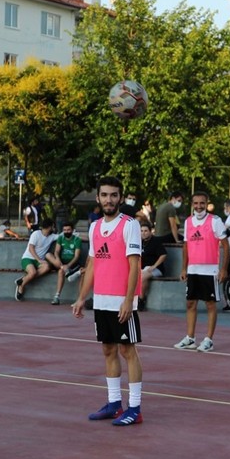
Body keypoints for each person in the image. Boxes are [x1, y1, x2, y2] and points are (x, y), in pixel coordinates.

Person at [72, 175, 144, 426]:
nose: (109, 199)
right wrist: (82, 297)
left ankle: (135, 408)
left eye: (114, 195)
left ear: (120, 198)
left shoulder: (130, 225)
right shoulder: (94, 227)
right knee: (108, 350)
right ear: (98, 198)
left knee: (127, 351)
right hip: (101, 300)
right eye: (104, 195)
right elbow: (92, 264)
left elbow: (134, 266)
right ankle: (114, 404)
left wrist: (128, 300)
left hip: (122, 300)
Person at [172, 192, 228, 353]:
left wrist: (223, 269)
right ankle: (190, 338)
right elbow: (186, 246)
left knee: (210, 304)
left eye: (202, 203)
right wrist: (184, 268)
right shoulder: (188, 222)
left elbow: (226, 246)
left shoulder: (215, 221)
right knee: (190, 303)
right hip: (193, 269)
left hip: (210, 270)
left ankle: (209, 340)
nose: (199, 206)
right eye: (195, 203)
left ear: (207, 203)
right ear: (192, 204)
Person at [14, 218, 58, 301]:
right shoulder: (36, 234)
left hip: (38, 261)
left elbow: (63, 236)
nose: (54, 228)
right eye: (53, 226)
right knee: (33, 272)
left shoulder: (52, 237)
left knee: (46, 267)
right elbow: (31, 248)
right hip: (28, 258)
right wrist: (38, 260)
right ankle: (21, 286)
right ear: (50, 227)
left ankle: (23, 280)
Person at [47, 219, 85, 305]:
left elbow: (76, 256)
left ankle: (78, 299)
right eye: (64, 230)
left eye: (68, 230)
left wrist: (68, 265)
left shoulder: (77, 240)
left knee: (61, 271)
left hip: (73, 264)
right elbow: (56, 252)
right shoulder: (61, 238)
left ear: (72, 230)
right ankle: (57, 297)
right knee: (49, 255)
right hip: (61, 263)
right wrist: (58, 260)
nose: (66, 232)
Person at [137, 221, 169, 311]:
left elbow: (163, 255)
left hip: (156, 269)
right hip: (143, 268)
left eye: (146, 231)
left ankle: (141, 300)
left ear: (150, 231)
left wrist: (154, 266)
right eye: (141, 231)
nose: (143, 233)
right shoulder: (139, 242)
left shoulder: (156, 241)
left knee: (142, 277)